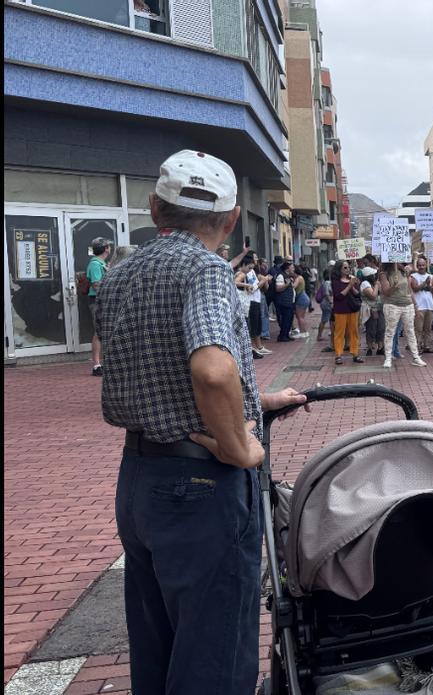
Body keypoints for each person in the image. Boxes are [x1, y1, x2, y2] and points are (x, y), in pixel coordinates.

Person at [95, 150, 307, 694]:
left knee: (157, 643)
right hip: (201, 486)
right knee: (213, 654)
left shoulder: (119, 275)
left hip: (140, 478)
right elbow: (211, 371)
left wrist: (257, 398)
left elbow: (163, 364)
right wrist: (241, 445)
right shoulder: (206, 268)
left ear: (154, 208)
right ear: (233, 218)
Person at [378, 262, 426, 368]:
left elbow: (409, 290)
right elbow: (386, 292)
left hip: (407, 304)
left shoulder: (404, 271)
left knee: (410, 331)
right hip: (392, 305)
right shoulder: (384, 273)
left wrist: (415, 306)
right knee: (390, 332)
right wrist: (394, 286)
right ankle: (388, 358)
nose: (401, 262)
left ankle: (416, 357)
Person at [86, 237, 112, 376]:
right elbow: (96, 285)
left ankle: (102, 362)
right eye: (108, 246)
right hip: (97, 300)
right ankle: (97, 364)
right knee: (98, 332)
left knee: (104, 331)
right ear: (106, 248)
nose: (110, 248)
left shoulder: (102, 263)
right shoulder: (96, 264)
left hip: (103, 300)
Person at [234, 254, 268, 358]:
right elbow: (235, 282)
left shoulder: (239, 273)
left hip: (241, 304)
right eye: (249, 268)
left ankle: (250, 349)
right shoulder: (241, 274)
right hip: (243, 304)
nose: (249, 271)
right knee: (247, 328)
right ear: (243, 264)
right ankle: (249, 350)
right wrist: (247, 285)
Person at [331, 260, 364, 365]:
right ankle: (338, 355)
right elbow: (339, 296)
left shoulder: (351, 279)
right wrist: (349, 285)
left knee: (354, 331)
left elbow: (357, 294)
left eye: (348, 267)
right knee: (339, 333)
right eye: (345, 267)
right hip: (340, 310)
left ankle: (355, 353)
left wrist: (354, 285)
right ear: (339, 269)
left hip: (352, 309)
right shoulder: (336, 281)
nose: (347, 269)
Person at [410, 257, 433, 354]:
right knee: (418, 329)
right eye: (419, 265)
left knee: (428, 329)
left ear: (426, 265)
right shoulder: (413, 276)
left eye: (423, 265)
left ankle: (427, 346)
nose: (421, 267)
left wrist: (428, 285)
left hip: (429, 305)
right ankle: (417, 346)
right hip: (419, 306)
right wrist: (425, 283)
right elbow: (415, 288)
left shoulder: (431, 276)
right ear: (417, 266)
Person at [359, 266, 383, 357]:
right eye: (373, 274)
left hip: (379, 308)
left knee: (381, 328)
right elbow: (373, 296)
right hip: (371, 309)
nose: (375, 276)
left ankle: (380, 347)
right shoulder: (365, 284)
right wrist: (377, 285)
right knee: (371, 329)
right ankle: (369, 347)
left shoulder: (374, 283)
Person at [273, 261, 297, 342]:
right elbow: (278, 288)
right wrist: (287, 284)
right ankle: (282, 335)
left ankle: (286, 334)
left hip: (289, 301)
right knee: (285, 319)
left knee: (289, 319)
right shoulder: (281, 275)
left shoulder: (287, 276)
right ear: (287, 268)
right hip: (284, 301)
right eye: (292, 267)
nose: (293, 269)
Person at [315, 264, 333, 348]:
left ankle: (328, 333)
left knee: (329, 319)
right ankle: (319, 335)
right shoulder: (327, 282)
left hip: (327, 303)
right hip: (327, 304)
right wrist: (331, 302)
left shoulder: (327, 282)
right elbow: (326, 294)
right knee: (325, 319)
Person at [292, 264, 311, 339]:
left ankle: (303, 332)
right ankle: (304, 331)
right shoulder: (299, 277)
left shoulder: (298, 278)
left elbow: (294, 286)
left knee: (300, 317)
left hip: (301, 299)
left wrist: (289, 283)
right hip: (303, 298)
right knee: (300, 316)